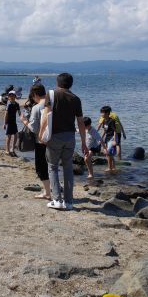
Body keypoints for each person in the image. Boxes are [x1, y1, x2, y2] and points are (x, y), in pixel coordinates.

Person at [39, 72, 89, 211]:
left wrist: (41, 133)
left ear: (57, 82)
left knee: (53, 166)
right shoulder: (76, 99)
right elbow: (80, 122)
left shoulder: (51, 94)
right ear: (71, 84)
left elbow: (45, 115)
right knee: (68, 168)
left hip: (54, 136)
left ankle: (57, 200)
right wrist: (84, 142)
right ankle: (69, 202)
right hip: (70, 137)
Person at [21, 84, 51, 199]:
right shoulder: (52, 104)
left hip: (41, 141)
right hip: (53, 140)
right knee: (52, 166)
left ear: (35, 95)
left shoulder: (37, 107)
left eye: (32, 96)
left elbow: (33, 128)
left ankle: (47, 192)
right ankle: (53, 190)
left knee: (41, 167)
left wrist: (24, 121)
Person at [4, 91, 20, 156]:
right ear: (8, 97)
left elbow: (19, 113)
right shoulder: (9, 104)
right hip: (9, 122)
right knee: (9, 136)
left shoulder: (17, 104)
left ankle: (12, 149)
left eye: (13, 95)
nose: (11, 97)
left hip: (14, 122)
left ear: (15, 96)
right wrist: (4, 123)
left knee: (16, 135)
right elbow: (6, 114)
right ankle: (7, 150)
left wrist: (24, 118)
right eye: (10, 96)